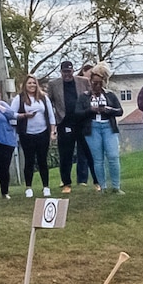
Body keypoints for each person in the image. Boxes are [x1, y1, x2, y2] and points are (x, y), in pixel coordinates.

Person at [47, 60, 89, 194]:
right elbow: (49, 102)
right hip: (64, 122)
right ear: (61, 72)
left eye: (69, 71)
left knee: (85, 151)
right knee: (66, 154)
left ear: (73, 70)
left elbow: (90, 97)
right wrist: (53, 122)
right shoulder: (53, 84)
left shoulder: (83, 81)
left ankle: (83, 180)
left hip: (81, 121)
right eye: (64, 72)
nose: (67, 74)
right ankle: (66, 182)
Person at [82, 65, 124, 193]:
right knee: (98, 159)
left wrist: (108, 110)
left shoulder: (110, 95)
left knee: (113, 156)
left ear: (104, 82)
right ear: (91, 82)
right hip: (93, 128)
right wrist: (91, 110)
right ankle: (103, 187)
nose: (97, 85)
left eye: (100, 83)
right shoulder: (85, 96)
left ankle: (116, 187)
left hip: (108, 127)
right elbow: (77, 113)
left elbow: (120, 111)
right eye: (94, 82)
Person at [14, 74, 56, 198]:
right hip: (27, 134)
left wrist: (52, 131)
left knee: (43, 160)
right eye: (29, 83)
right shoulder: (19, 98)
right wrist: (24, 115)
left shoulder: (43, 98)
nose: (32, 85)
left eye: (33, 83)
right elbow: (12, 114)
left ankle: (46, 187)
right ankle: (28, 187)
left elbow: (51, 116)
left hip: (42, 132)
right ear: (25, 85)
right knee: (29, 161)